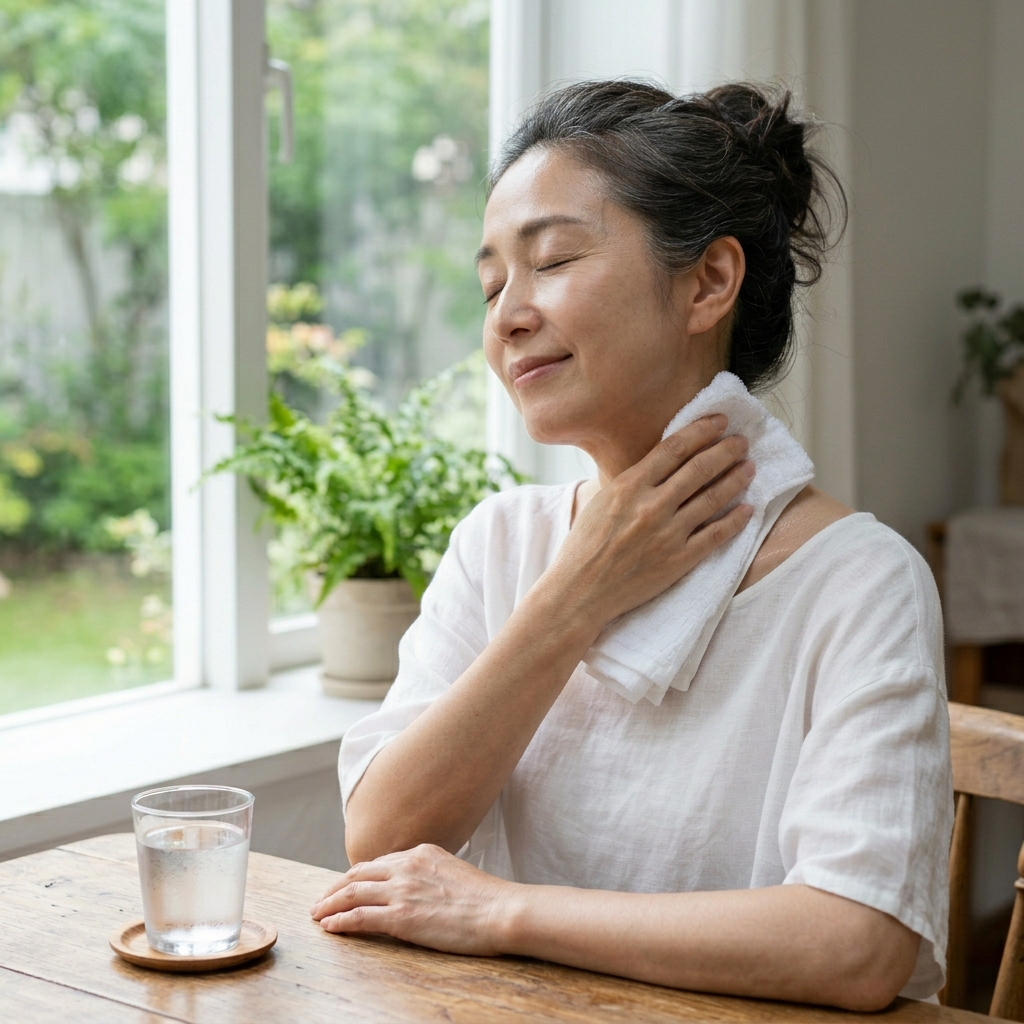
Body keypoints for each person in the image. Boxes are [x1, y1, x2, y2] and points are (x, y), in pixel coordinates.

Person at [311, 81, 952, 1012]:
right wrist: (578, 594)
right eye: (492, 283)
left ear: (709, 283)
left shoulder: (859, 579)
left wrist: (504, 913)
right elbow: (383, 832)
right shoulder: (502, 542)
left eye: (554, 259)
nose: (507, 316)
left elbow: (856, 944)